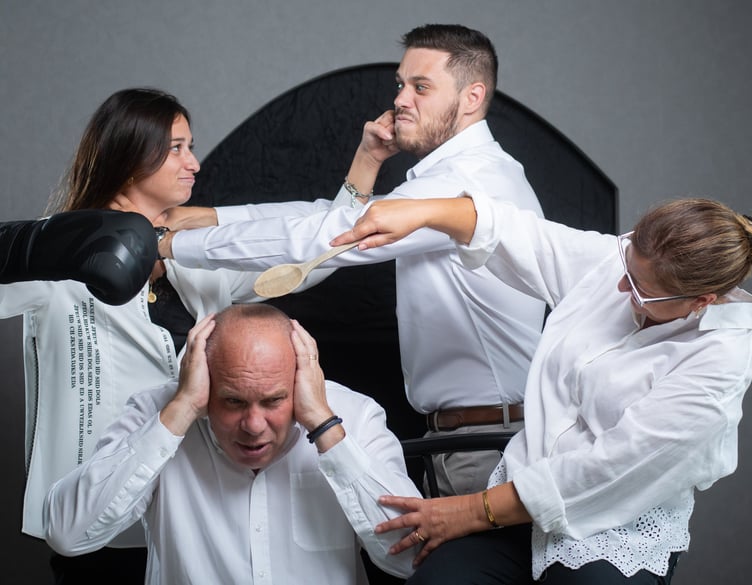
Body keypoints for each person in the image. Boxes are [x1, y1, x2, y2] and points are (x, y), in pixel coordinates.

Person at [158, 24, 547, 497]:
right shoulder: (459, 174)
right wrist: (211, 217)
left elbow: (320, 236)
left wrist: (170, 244)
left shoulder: (466, 178)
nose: (402, 99)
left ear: (472, 97)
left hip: (485, 443)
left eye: (421, 87)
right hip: (467, 437)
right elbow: (326, 217)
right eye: (401, 85)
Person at [328, 193, 752, 584]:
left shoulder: (718, 367)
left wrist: (467, 512)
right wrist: (424, 212)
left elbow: (608, 469)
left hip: (614, 526)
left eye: (638, 288)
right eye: (626, 267)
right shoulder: (625, 269)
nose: (619, 286)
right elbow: (528, 238)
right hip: (514, 507)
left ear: (702, 301)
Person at [0, 87, 336, 585]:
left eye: (190, 145)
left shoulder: (196, 263)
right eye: (177, 148)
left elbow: (304, 254)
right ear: (133, 154)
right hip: (98, 512)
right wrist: (60, 242)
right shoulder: (60, 256)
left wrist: (359, 180)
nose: (194, 162)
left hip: (187, 513)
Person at [44, 304, 422, 584]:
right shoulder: (158, 412)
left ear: (300, 379)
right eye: (233, 401)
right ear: (204, 382)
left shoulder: (354, 416)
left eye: (273, 400)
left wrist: (325, 429)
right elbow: (68, 533)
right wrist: (181, 410)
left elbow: (411, 557)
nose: (254, 425)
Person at [0, 210, 155, 304]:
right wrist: (29, 245)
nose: (181, 162)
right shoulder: (73, 234)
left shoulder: (176, 259)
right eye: (174, 152)